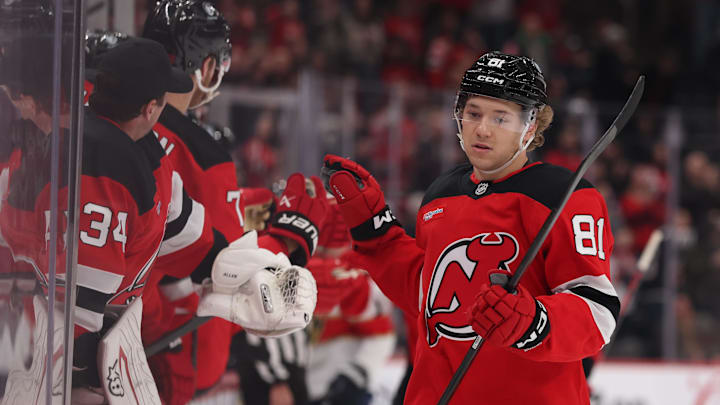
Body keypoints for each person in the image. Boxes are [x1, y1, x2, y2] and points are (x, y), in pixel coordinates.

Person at [322, 51, 620, 404]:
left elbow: (598, 311)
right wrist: (375, 231)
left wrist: (533, 323)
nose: (482, 129)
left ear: (531, 125)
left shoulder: (563, 196)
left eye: (500, 118)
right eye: (473, 113)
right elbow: (430, 293)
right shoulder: (440, 195)